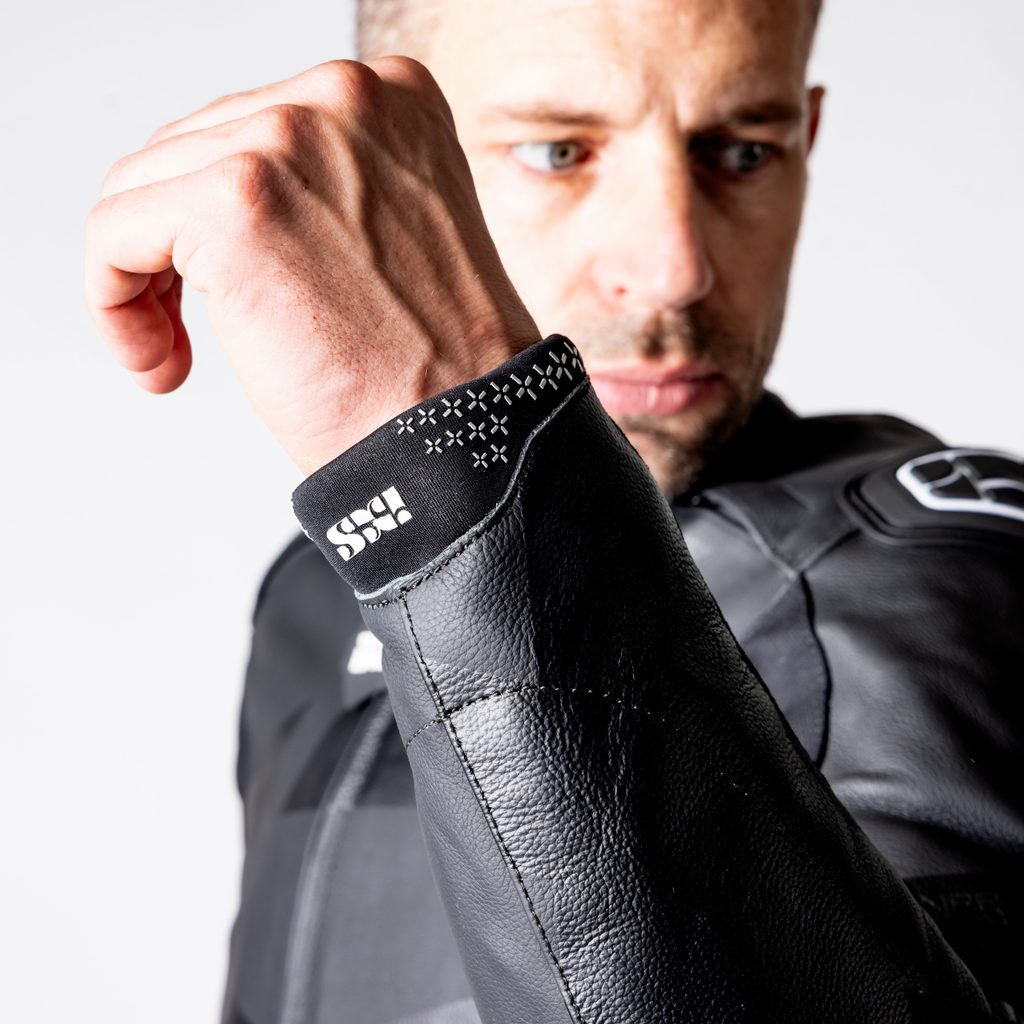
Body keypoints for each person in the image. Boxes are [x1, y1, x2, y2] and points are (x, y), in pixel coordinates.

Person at [85, 0, 1024, 1021]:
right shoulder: (313, 592)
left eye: (743, 152)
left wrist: (457, 466)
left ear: (807, 135)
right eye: (557, 151)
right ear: (387, 168)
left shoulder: (933, 574)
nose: (674, 269)